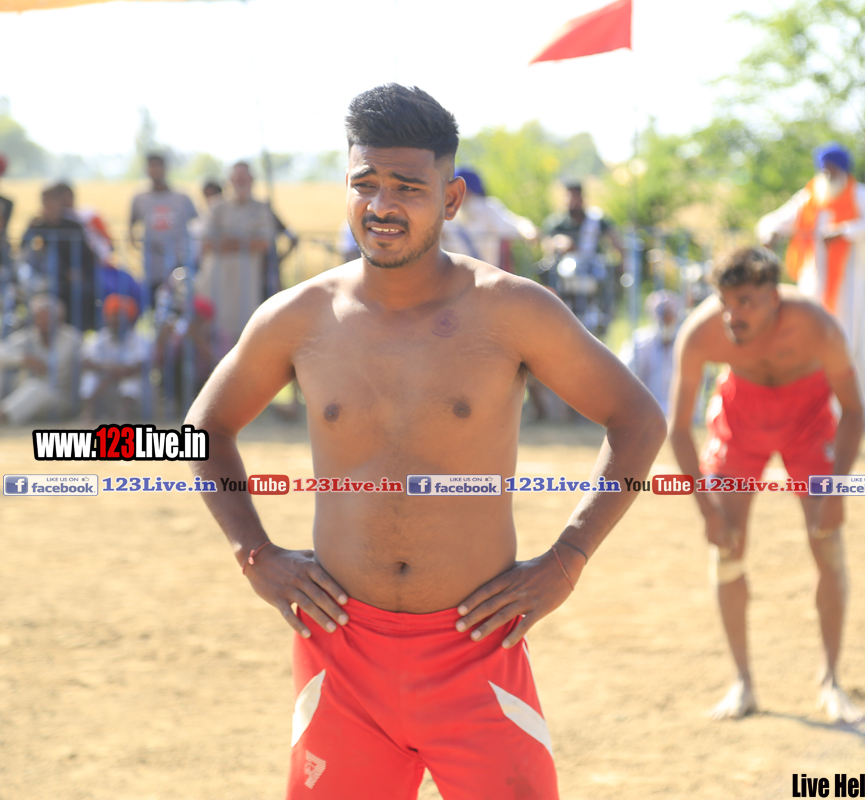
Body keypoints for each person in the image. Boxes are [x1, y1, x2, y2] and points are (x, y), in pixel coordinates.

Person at [185, 83, 665, 799]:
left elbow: (638, 420)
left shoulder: (511, 310)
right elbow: (203, 429)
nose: (382, 205)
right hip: (340, 650)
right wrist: (255, 554)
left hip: (477, 647)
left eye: (408, 187)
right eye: (365, 183)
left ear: (451, 198)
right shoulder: (299, 317)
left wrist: (567, 560)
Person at [668, 246, 865, 723]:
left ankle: (831, 681)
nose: (732, 315)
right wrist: (707, 512)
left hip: (808, 420)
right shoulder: (701, 334)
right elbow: (677, 429)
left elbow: (855, 410)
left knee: (828, 543)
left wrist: (836, 491)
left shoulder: (817, 327)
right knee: (726, 549)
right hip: (742, 419)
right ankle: (743, 683)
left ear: (774, 298)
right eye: (725, 302)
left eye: (746, 302)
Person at [756, 143, 865, 428]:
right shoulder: (809, 196)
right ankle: (816, 414)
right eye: (824, 169)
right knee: (810, 348)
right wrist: (770, 231)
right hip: (813, 287)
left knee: (852, 347)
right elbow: (773, 220)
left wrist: (845, 232)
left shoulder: (860, 194)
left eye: (832, 169)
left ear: (843, 170)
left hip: (849, 288)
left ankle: (861, 415)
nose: (827, 174)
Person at [196, 162, 274, 344]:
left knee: (242, 333)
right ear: (230, 180)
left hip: (245, 284)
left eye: (244, 177)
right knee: (211, 332)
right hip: (215, 282)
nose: (240, 181)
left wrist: (226, 241)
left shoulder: (260, 209)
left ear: (251, 180)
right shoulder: (216, 207)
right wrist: (244, 242)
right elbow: (205, 242)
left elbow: (263, 243)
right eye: (237, 177)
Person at [21, 184, 99, 331]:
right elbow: (23, 249)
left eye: (52, 202)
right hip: (46, 277)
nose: (49, 206)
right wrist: (30, 226)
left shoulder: (73, 226)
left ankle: (77, 330)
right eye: (46, 203)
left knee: (82, 294)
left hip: (71, 277)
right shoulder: (38, 226)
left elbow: (88, 256)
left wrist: (79, 272)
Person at [0, 294, 82, 424]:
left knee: (36, 388)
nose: (44, 322)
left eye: (48, 317)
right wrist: (24, 359)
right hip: (27, 396)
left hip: (61, 399)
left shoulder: (72, 338)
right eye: (40, 318)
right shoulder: (29, 336)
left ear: (58, 318)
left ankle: (3, 416)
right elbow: (2, 351)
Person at [130, 153, 199, 302]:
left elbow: (197, 225)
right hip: (152, 266)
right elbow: (131, 228)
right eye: (151, 167)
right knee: (153, 303)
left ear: (165, 169)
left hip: (179, 263)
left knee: (180, 302)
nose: (155, 170)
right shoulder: (139, 199)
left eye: (158, 166)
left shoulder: (182, 198)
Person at [440, 167, 536, 271]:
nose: (463, 197)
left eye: (466, 192)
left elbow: (516, 224)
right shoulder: (443, 212)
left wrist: (529, 232)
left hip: (487, 275)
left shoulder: (488, 209)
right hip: (453, 276)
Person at [80, 293, 151, 422]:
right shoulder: (99, 338)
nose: (116, 320)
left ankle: (123, 418)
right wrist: (107, 370)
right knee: (89, 378)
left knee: (131, 383)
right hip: (105, 383)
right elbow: (85, 361)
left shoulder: (139, 339)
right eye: (113, 315)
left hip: (127, 386)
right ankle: (89, 415)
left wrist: (113, 374)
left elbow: (140, 366)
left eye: (120, 316)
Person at [620, 289, 682, 413]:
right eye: (662, 314)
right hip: (647, 411)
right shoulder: (639, 343)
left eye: (670, 314)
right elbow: (624, 376)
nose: (666, 319)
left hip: (680, 410)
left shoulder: (683, 340)